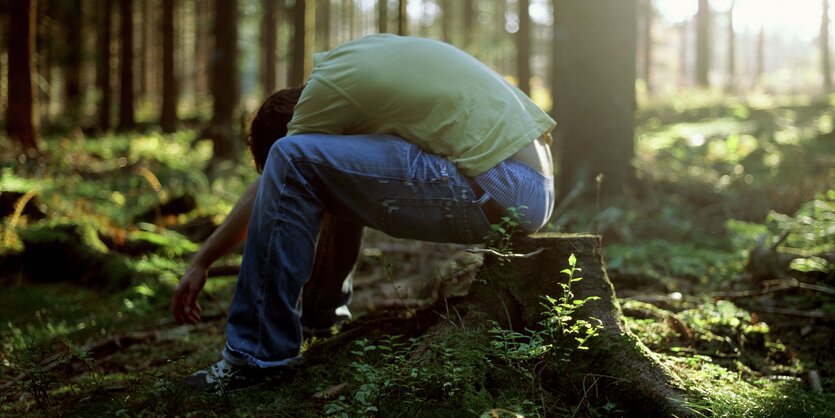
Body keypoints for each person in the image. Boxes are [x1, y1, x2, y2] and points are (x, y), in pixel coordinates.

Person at [173, 34, 556, 392]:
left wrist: (202, 261)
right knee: (327, 171)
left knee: (293, 162)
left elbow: (278, 174)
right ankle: (318, 322)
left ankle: (256, 357)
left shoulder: (327, 92)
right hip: (525, 184)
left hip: (501, 185)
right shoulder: (356, 67)